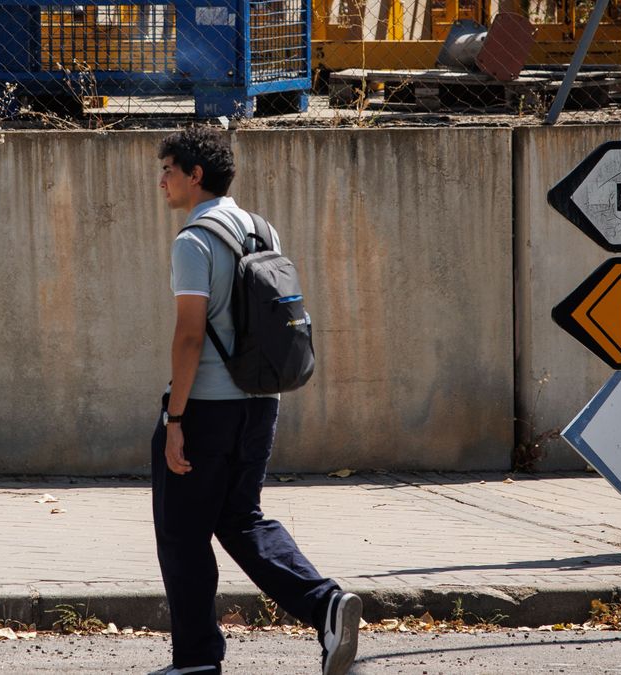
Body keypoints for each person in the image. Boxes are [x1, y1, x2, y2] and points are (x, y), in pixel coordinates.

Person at [149, 126, 360, 675]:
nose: (162, 181)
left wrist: (176, 419)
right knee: (240, 517)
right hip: (261, 403)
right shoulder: (261, 229)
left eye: (168, 169)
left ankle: (195, 661)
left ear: (196, 176)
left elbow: (190, 335)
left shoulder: (194, 241)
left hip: (206, 410)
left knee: (181, 533)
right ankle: (327, 604)